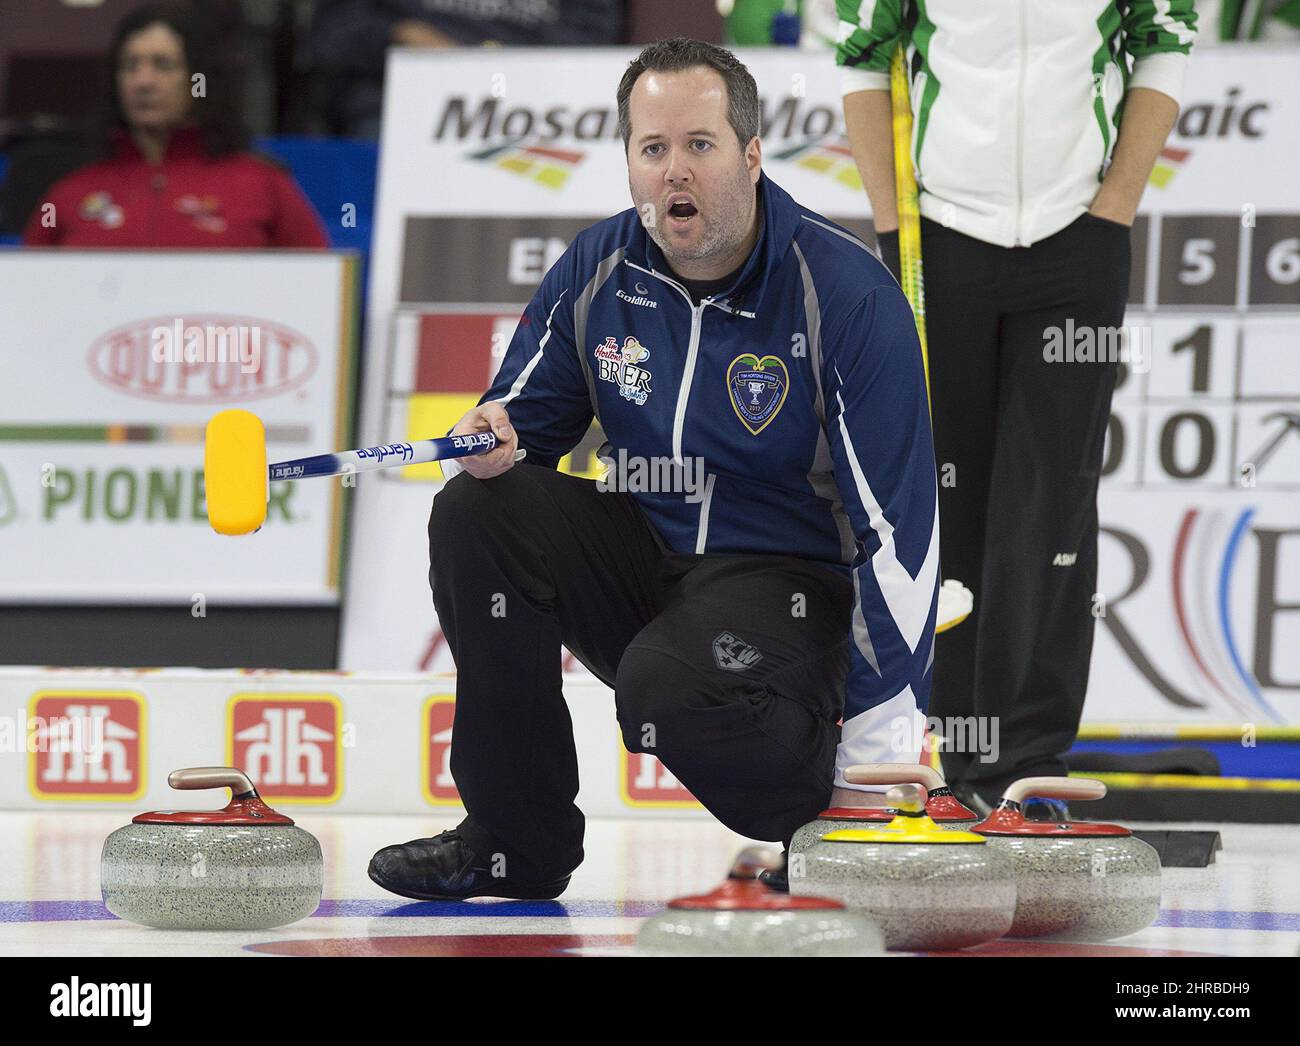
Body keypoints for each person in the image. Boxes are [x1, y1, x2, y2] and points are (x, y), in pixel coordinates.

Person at [368, 37, 940, 901]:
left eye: (700, 146)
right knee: (477, 509)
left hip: (786, 587)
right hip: (646, 554)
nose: (676, 172)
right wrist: (490, 432)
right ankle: (514, 842)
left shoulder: (847, 294)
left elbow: (899, 536)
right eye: (653, 148)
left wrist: (881, 757)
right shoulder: (597, 269)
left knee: (662, 689)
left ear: (751, 155)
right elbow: (521, 420)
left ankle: (829, 823)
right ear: (630, 162)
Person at [837, 1, 1197, 812]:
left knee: (1053, 502)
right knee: (943, 497)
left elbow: (1166, 42)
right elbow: (861, 55)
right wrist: (896, 225)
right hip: (938, 234)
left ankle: (1030, 766)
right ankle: (952, 762)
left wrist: (1114, 210)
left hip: (1080, 237)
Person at [23, 4, 327, 249]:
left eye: (163, 65)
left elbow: (319, 291)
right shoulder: (68, 193)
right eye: (130, 66)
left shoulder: (263, 184)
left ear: (199, 80)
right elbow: (25, 297)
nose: (143, 82)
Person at [309, 0, 626, 138]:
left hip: (542, 105)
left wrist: (513, 64)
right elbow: (333, 32)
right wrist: (399, 35)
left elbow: (593, 36)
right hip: (400, 101)